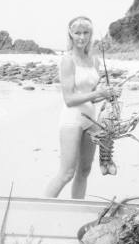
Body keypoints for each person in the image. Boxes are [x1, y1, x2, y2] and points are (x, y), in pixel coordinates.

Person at [44, 16, 119, 199]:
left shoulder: (94, 61)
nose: (81, 37)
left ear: (90, 34)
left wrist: (108, 95)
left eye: (85, 33)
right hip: (72, 119)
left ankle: (76, 208)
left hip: (90, 118)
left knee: (84, 171)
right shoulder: (67, 60)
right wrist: (97, 94)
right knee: (67, 173)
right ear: (70, 34)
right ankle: (42, 207)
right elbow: (69, 99)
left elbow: (91, 97)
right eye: (77, 33)